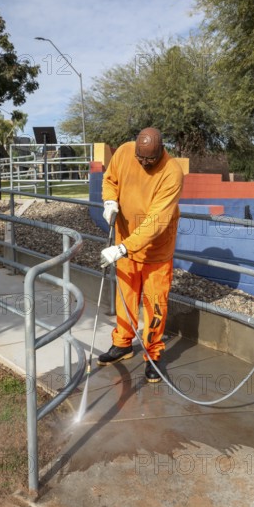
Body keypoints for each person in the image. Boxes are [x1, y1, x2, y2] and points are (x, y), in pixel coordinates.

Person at [97, 127, 184, 383]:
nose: (144, 163)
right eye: (140, 158)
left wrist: (123, 248)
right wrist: (109, 201)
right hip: (124, 241)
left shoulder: (172, 173)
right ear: (135, 148)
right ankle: (122, 344)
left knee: (155, 304)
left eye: (150, 160)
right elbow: (110, 179)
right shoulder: (124, 152)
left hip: (155, 249)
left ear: (161, 151)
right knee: (125, 296)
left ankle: (153, 354)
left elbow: (156, 222)